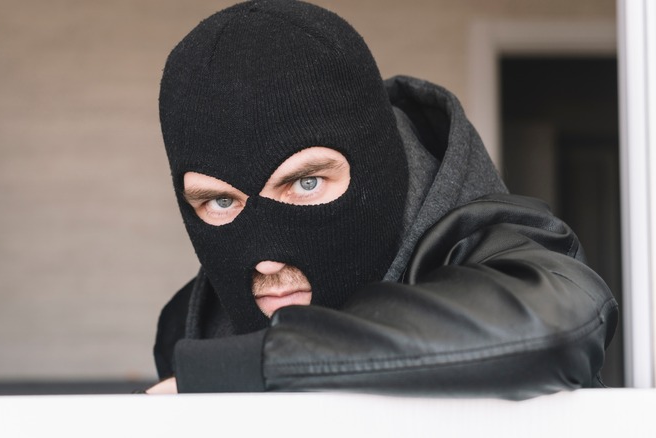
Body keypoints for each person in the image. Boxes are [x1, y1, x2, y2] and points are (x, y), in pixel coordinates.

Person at [148, 0, 617, 398]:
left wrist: (251, 365)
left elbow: (553, 329)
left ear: (379, 168)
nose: (266, 263)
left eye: (306, 183)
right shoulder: (190, 323)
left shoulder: (503, 257)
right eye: (220, 202)